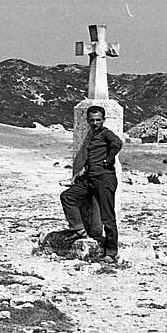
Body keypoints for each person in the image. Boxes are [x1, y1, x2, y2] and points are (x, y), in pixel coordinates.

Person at [60, 105, 123, 263]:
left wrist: (108, 160)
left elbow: (118, 143)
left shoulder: (106, 133)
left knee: (107, 217)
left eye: (98, 120)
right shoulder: (93, 135)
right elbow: (93, 158)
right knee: (68, 196)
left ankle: (111, 252)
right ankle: (78, 229)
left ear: (103, 120)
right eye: (92, 120)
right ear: (88, 121)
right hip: (90, 179)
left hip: (104, 179)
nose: (95, 123)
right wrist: (82, 172)